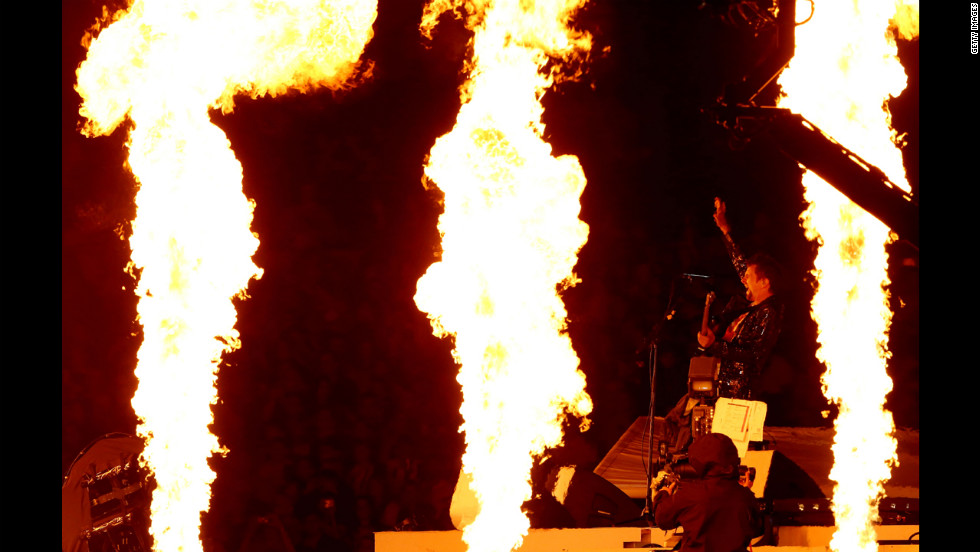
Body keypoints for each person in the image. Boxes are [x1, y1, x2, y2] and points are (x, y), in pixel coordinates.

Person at [696, 197, 783, 400]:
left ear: (765, 283)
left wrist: (714, 345)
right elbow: (742, 266)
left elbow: (751, 354)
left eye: (750, 278)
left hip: (740, 394)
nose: (743, 279)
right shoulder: (753, 307)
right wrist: (725, 231)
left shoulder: (768, 313)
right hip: (723, 387)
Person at [652, 433, 763, 552]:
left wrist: (663, 493)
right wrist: (747, 493)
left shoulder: (690, 494)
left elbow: (662, 519)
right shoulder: (744, 495)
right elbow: (758, 530)